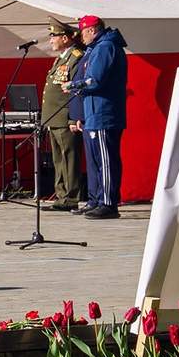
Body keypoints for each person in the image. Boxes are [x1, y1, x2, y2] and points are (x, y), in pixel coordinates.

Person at [69, 13, 129, 219]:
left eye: (83, 33)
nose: (81, 38)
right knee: (97, 159)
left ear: (92, 31)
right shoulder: (97, 48)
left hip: (104, 112)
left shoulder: (105, 48)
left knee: (106, 159)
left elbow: (94, 80)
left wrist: (74, 85)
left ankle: (109, 203)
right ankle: (96, 199)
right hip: (95, 111)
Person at [41, 22, 85, 210]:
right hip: (55, 117)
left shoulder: (76, 57)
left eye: (54, 36)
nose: (51, 40)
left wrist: (72, 117)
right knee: (59, 159)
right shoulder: (62, 58)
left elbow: (76, 91)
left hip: (66, 116)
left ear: (65, 38)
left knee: (69, 158)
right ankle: (61, 196)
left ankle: (71, 198)